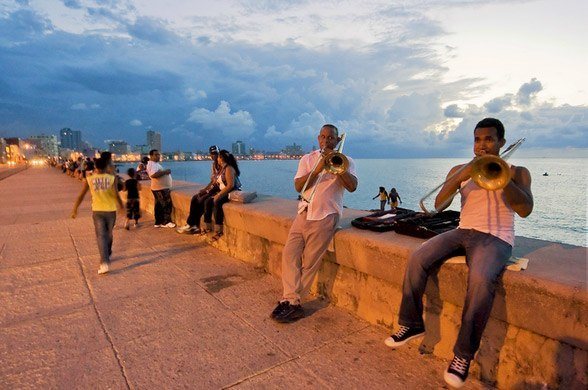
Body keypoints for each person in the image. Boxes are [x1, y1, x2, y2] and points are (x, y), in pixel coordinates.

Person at [384, 118, 533, 388]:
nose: (482, 145)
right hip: (462, 231)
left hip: (497, 237)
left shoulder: (517, 171)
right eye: (477, 139)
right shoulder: (459, 169)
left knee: (480, 279)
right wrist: (458, 179)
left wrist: (504, 181)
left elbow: (525, 210)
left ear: (501, 142)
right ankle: (412, 323)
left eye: (489, 139)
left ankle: (462, 356)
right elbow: (439, 205)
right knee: (418, 258)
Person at [270, 124, 358, 323]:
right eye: (323, 137)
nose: (326, 141)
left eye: (331, 138)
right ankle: (290, 299)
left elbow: (352, 186)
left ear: (337, 141)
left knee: (309, 263)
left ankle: (292, 302)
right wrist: (319, 168)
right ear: (319, 138)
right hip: (304, 213)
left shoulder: (346, 161)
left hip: (326, 215)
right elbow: (299, 186)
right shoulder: (307, 159)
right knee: (289, 255)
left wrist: (338, 169)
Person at [71, 157, 124, 275]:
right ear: (106, 167)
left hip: (97, 211)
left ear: (95, 167)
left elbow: (81, 195)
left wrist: (75, 209)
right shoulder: (112, 178)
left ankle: (104, 260)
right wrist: (122, 207)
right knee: (108, 234)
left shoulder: (89, 179)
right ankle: (106, 256)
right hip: (111, 211)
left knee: (101, 236)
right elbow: (116, 194)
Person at [177, 145, 222, 234]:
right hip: (214, 188)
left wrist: (207, 191)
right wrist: (205, 190)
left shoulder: (222, 165)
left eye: (215, 154)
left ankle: (194, 225)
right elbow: (212, 181)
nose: (214, 156)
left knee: (202, 200)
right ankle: (192, 224)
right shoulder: (213, 165)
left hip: (219, 190)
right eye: (212, 154)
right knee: (195, 198)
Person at [202, 149, 241, 241]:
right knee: (207, 202)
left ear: (221, 158)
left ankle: (219, 231)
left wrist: (219, 195)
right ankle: (207, 226)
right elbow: (216, 182)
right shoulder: (222, 169)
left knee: (217, 203)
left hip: (230, 192)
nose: (217, 160)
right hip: (222, 191)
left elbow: (230, 185)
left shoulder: (229, 168)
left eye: (218, 157)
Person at [147, 149, 175, 228]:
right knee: (166, 204)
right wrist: (165, 172)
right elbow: (153, 175)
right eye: (156, 155)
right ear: (151, 156)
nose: (158, 156)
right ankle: (166, 222)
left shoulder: (153, 164)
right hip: (160, 188)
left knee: (158, 205)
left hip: (158, 188)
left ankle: (158, 222)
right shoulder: (153, 164)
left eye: (158, 154)